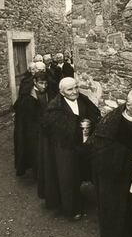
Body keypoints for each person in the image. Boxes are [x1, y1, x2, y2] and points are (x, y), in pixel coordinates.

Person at [88, 89, 132, 237]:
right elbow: (100, 150)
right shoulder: (110, 123)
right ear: (128, 106)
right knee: (115, 209)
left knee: (131, 206)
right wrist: (128, 157)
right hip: (113, 177)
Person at [42, 77, 101, 220]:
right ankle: (72, 208)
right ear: (62, 92)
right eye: (70, 89)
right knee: (68, 177)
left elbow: (94, 114)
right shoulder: (54, 107)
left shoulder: (83, 99)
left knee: (88, 169)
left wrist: (90, 121)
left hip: (84, 144)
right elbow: (57, 128)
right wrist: (78, 123)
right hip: (65, 148)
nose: (75, 91)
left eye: (76, 87)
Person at [13, 62, 49, 178]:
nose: (44, 86)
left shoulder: (49, 91)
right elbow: (23, 114)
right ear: (35, 82)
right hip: (32, 127)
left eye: (45, 83)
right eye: (41, 83)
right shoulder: (27, 94)